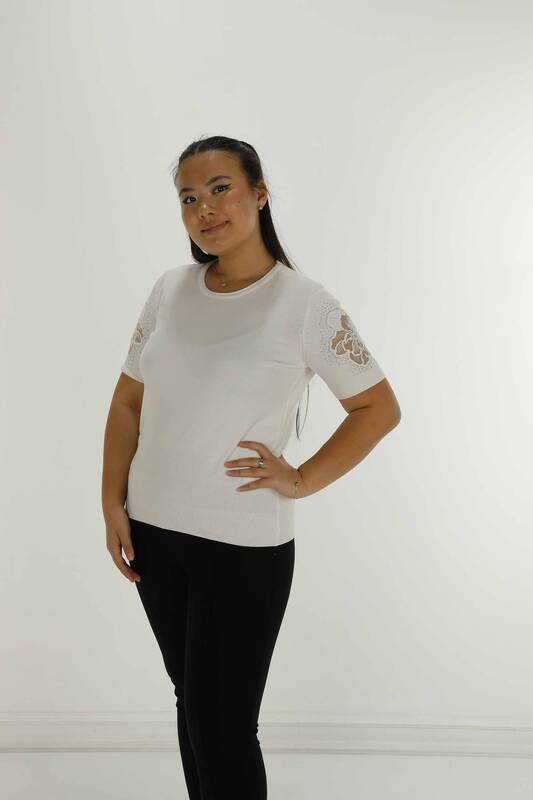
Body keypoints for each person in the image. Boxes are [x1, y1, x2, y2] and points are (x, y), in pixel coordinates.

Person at [101, 136, 401, 800]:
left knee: (224, 725)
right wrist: (111, 504)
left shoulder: (304, 304)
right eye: (188, 198)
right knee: (193, 704)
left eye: (220, 189)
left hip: (241, 547)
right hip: (153, 534)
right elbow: (127, 402)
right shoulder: (169, 291)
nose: (204, 209)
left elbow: (377, 408)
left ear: (259, 195)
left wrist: (300, 479)